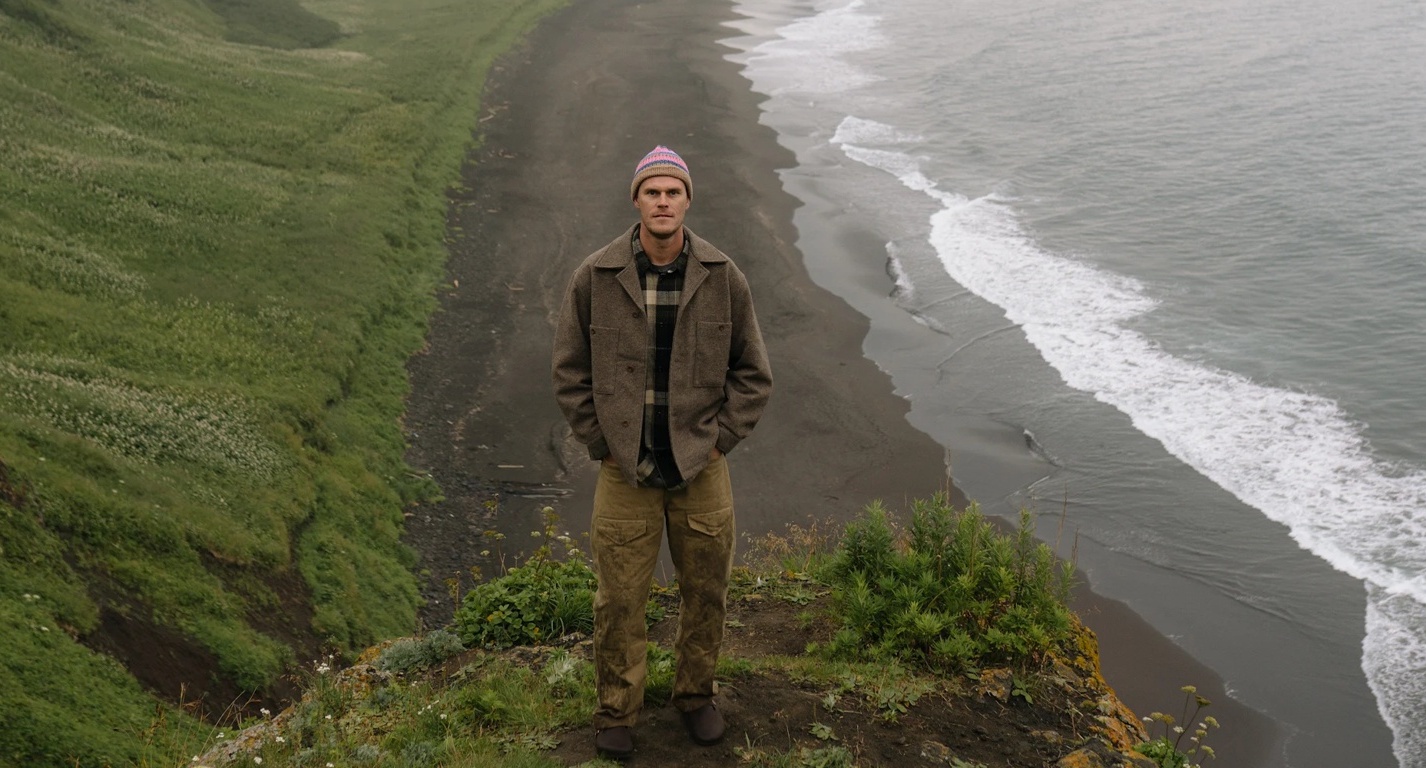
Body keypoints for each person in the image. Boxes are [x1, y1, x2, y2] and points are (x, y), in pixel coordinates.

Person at [552, 145, 773, 759]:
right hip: (625, 470)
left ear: (688, 200)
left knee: (707, 591)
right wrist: (601, 443)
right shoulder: (594, 277)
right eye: (652, 191)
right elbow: (569, 371)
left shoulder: (722, 276)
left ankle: (696, 697)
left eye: (673, 191)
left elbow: (753, 373)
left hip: (701, 468)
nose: (663, 201)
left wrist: (720, 441)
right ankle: (616, 711)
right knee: (619, 598)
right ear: (636, 200)